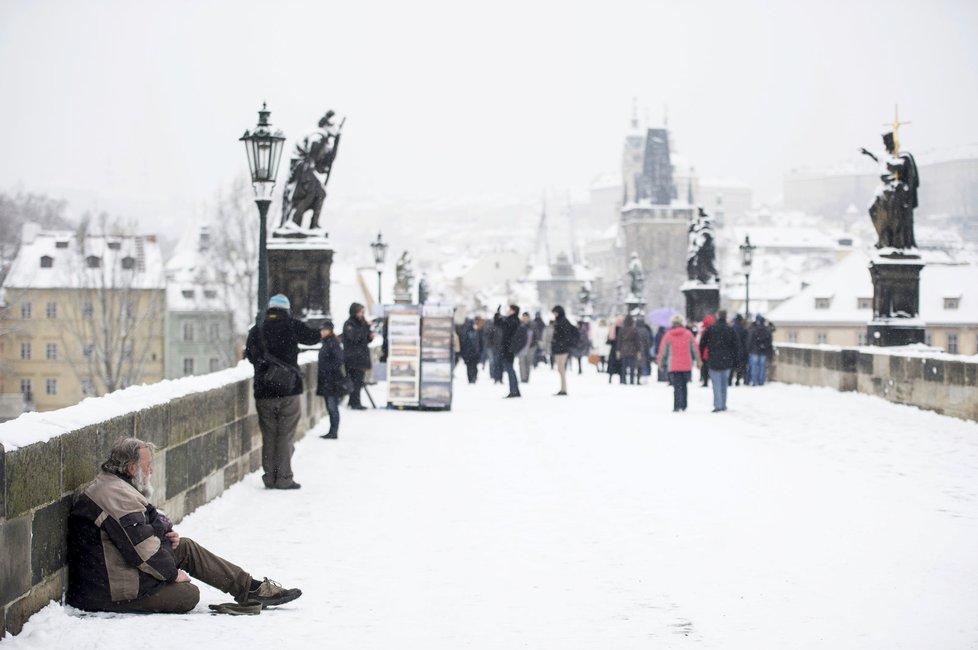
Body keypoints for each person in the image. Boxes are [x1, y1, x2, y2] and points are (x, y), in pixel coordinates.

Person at [67, 438, 302, 614]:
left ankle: (251, 588)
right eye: (148, 465)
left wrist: (166, 541)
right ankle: (249, 590)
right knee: (188, 595)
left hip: (115, 569)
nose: (151, 471)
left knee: (185, 547)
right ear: (131, 469)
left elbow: (142, 533)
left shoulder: (115, 486)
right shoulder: (117, 495)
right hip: (107, 590)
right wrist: (171, 574)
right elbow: (143, 551)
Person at [245, 294, 321, 490]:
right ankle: (284, 477)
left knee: (269, 436)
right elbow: (313, 338)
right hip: (289, 390)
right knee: (285, 436)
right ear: (286, 310)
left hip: (264, 391)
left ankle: (270, 477)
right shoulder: (291, 325)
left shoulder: (257, 330)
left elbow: (251, 356)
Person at [699, 310, 742, 412]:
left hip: (713, 359)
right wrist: (735, 359)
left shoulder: (711, 329)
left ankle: (718, 404)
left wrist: (702, 355)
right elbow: (736, 346)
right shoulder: (730, 330)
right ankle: (723, 404)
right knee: (724, 384)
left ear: (717, 316)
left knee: (716, 384)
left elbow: (702, 343)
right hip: (727, 360)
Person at [657, 314, 701, 412]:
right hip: (686, 364)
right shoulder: (688, 334)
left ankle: (677, 405)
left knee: (676, 386)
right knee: (684, 385)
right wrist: (698, 360)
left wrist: (660, 361)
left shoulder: (668, 335)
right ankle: (684, 404)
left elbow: (663, 350)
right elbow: (694, 348)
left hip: (674, 365)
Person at [316, 319, 345, 439]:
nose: (322, 332)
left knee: (332, 407)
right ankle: (332, 431)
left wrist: (327, 369)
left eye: (325, 330)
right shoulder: (328, 342)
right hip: (327, 380)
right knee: (331, 407)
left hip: (331, 381)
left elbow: (338, 360)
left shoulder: (332, 343)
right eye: (322, 330)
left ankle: (333, 431)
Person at [342, 302, 374, 409]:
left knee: (358, 382)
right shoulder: (349, 324)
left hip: (361, 358)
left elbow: (365, 340)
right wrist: (365, 328)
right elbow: (355, 338)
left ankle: (353, 401)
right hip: (353, 358)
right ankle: (355, 402)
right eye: (361, 312)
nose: (362, 315)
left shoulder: (362, 324)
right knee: (355, 382)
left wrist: (370, 334)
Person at [550, 305, 579, 396]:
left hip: (562, 349)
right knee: (560, 369)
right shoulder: (558, 321)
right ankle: (562, 388)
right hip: (558, 349)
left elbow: (567, 335)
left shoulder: (563, 321)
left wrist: (561, 343)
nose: (554, 314)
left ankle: (564, 389)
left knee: (561, 369)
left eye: (555, 312)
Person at [494, 305, 521, 397]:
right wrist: (498, 316)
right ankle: (514, 390)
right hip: (508, 348)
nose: (508, 311)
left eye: (510, 309)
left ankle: (514, 390)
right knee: (509, 369)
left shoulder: (513, 320)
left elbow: (502, 325)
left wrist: (499, 317)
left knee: (509, 369)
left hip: (508, 348)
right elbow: (499, 324)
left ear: (514, 311)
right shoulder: (512, 320)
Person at [747, 314, 773, 385]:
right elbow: (769, 341)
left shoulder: (753, 329)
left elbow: (750, 340)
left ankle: (754, 381)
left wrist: (749, 349)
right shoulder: (767, 330)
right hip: (763, 351)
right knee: (762, 367)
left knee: (754, 367)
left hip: (754, 351)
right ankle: (761, 381)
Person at [617, 315, 641, 385]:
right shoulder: (634, 330)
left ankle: (623, 380)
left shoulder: (622, 330)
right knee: (632, 367)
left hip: (624, 350)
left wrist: (618, 350)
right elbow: (637, 341)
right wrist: (638, 351)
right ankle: (631, 380)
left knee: (623, 367)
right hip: (632, 350)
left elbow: (619, 341)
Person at [460, 318, 483, 383]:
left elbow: (480, 342)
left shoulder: (476, 332)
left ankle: (472, 378)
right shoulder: (468, 332)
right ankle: (471, 378)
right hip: (470, 352)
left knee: (472, 366)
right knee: (471, 366)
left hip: (472, 352)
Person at [729, 314, 750, 386]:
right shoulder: (743, 329)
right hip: (741, 350)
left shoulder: (731, 328)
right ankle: (737, 380)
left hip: (732, 350)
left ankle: (730, 380)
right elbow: (746, 341)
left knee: (731, 366)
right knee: (739, 366)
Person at [516, 312, 535, 383]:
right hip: (521, 347)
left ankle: (526, 377)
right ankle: (522, 378)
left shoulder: (532, 325)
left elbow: (536, 335)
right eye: (523, 317)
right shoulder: (520, 324)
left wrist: (533, 344)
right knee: (521, 363)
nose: (525, 318)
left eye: (526, 317)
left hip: (530, 347)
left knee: (528, 363)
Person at [698, 314, 715, 387]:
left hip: (705, 352)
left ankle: (705, 380)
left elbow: (702, 342)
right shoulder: (714, 329)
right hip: (712, 352)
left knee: (704, 367)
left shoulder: (704, 330)